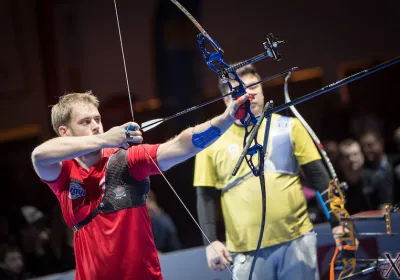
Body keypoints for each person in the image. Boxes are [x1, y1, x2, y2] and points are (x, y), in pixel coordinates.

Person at [31, 91, 252, 280]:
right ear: (64, 132)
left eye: (97, 120)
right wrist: (105, 139)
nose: (96, 126)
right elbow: (38, 155)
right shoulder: (63, 172)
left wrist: (226, 119)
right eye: (85, 122)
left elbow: (180, 145)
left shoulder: (126, 159)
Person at [193, 64, 353, 280]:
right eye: (240, 90)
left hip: (297, 242)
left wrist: (339, 221)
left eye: (254, 86)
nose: (250, 93)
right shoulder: (211, 141)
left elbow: (320, 178)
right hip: (246, 252)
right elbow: (206, 196)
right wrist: (210, 241)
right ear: (226, 100)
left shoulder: (290, 127)